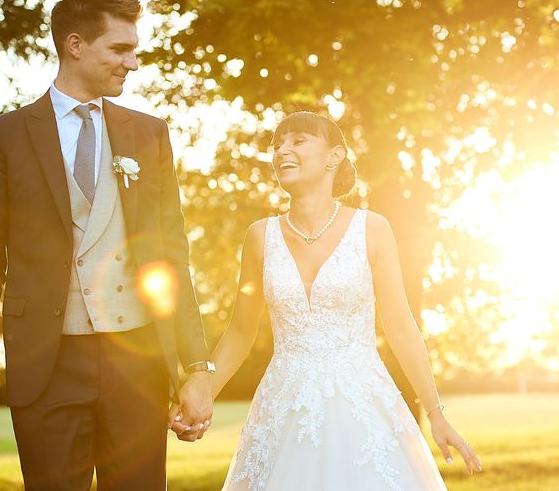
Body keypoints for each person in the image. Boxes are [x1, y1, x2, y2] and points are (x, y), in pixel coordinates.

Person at [0, 0, 214, 490]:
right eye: (120, 49)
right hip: (46, 365)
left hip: (137, 361)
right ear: (75, 45)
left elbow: (170, 256)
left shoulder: (149, 133)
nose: (132, 63)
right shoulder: (2, 137)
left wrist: (196, 364)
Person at [196, 111, 481, 490]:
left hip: (362, 408)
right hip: (284, 409)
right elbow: (239, 331)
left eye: (297, 140)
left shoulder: (372, 229)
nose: (282, 150)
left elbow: (399, 326)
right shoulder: (259, 237)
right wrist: (202, 395)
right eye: (277, 144)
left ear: (335, 156)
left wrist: (435, 413)